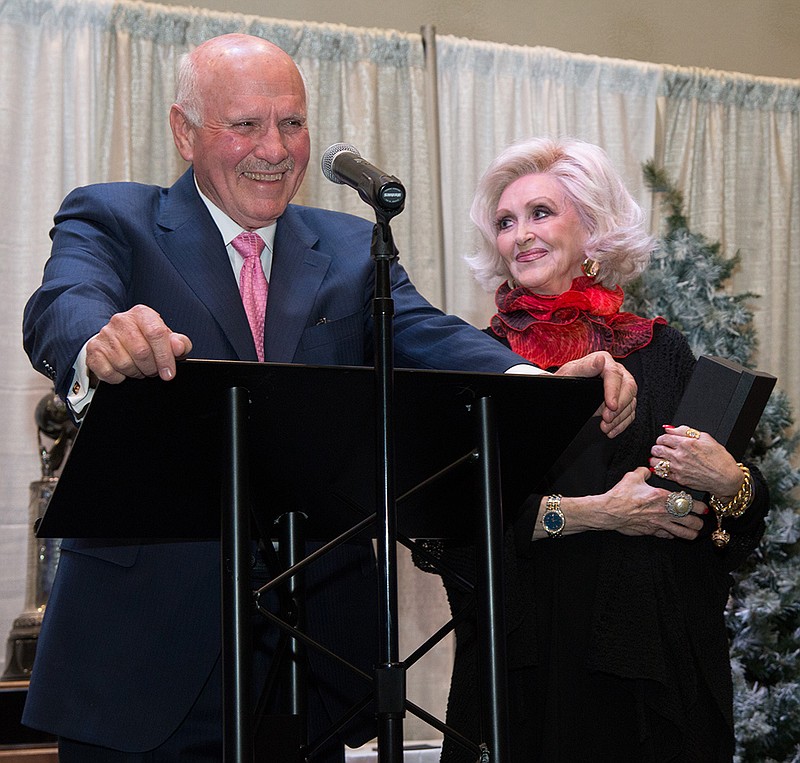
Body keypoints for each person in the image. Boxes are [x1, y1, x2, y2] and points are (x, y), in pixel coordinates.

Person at [20, 37, 637, 762]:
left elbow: (426, 334)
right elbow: (62, 302)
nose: (275, 149)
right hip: (138, 660)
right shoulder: (115, 217)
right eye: (246, 125)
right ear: (184, 130)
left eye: (293, 123)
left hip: (309, 663)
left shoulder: (350, 248)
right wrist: (100, 342)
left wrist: (533, 383)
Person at [433, 137, 770, 762]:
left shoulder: (658, 350)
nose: (520, 235)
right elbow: (447, 527)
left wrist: (730, 482)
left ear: (592, 230)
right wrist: (595, 513)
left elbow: (711, 515)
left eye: (540, 213)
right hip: (523, 665)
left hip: (644, 671)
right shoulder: (478, 363)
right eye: (506, 222)